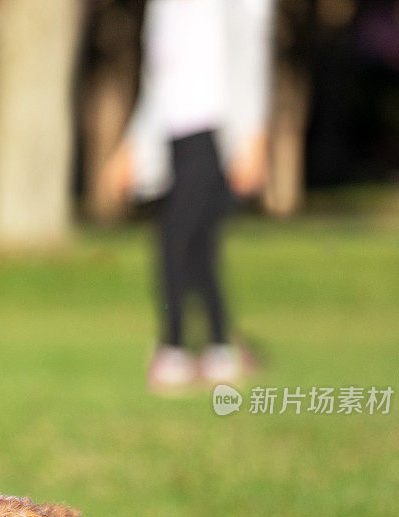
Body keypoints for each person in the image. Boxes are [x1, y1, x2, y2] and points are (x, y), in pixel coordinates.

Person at [101, 0, 274, 391]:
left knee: (175, 242)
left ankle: (176, 348)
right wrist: (134, 144)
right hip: (172, 137)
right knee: (195, 248)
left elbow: (249, 55)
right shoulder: (163, 8)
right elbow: (158, 80)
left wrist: (253, 134)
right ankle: (217, 348)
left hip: (214, 133)